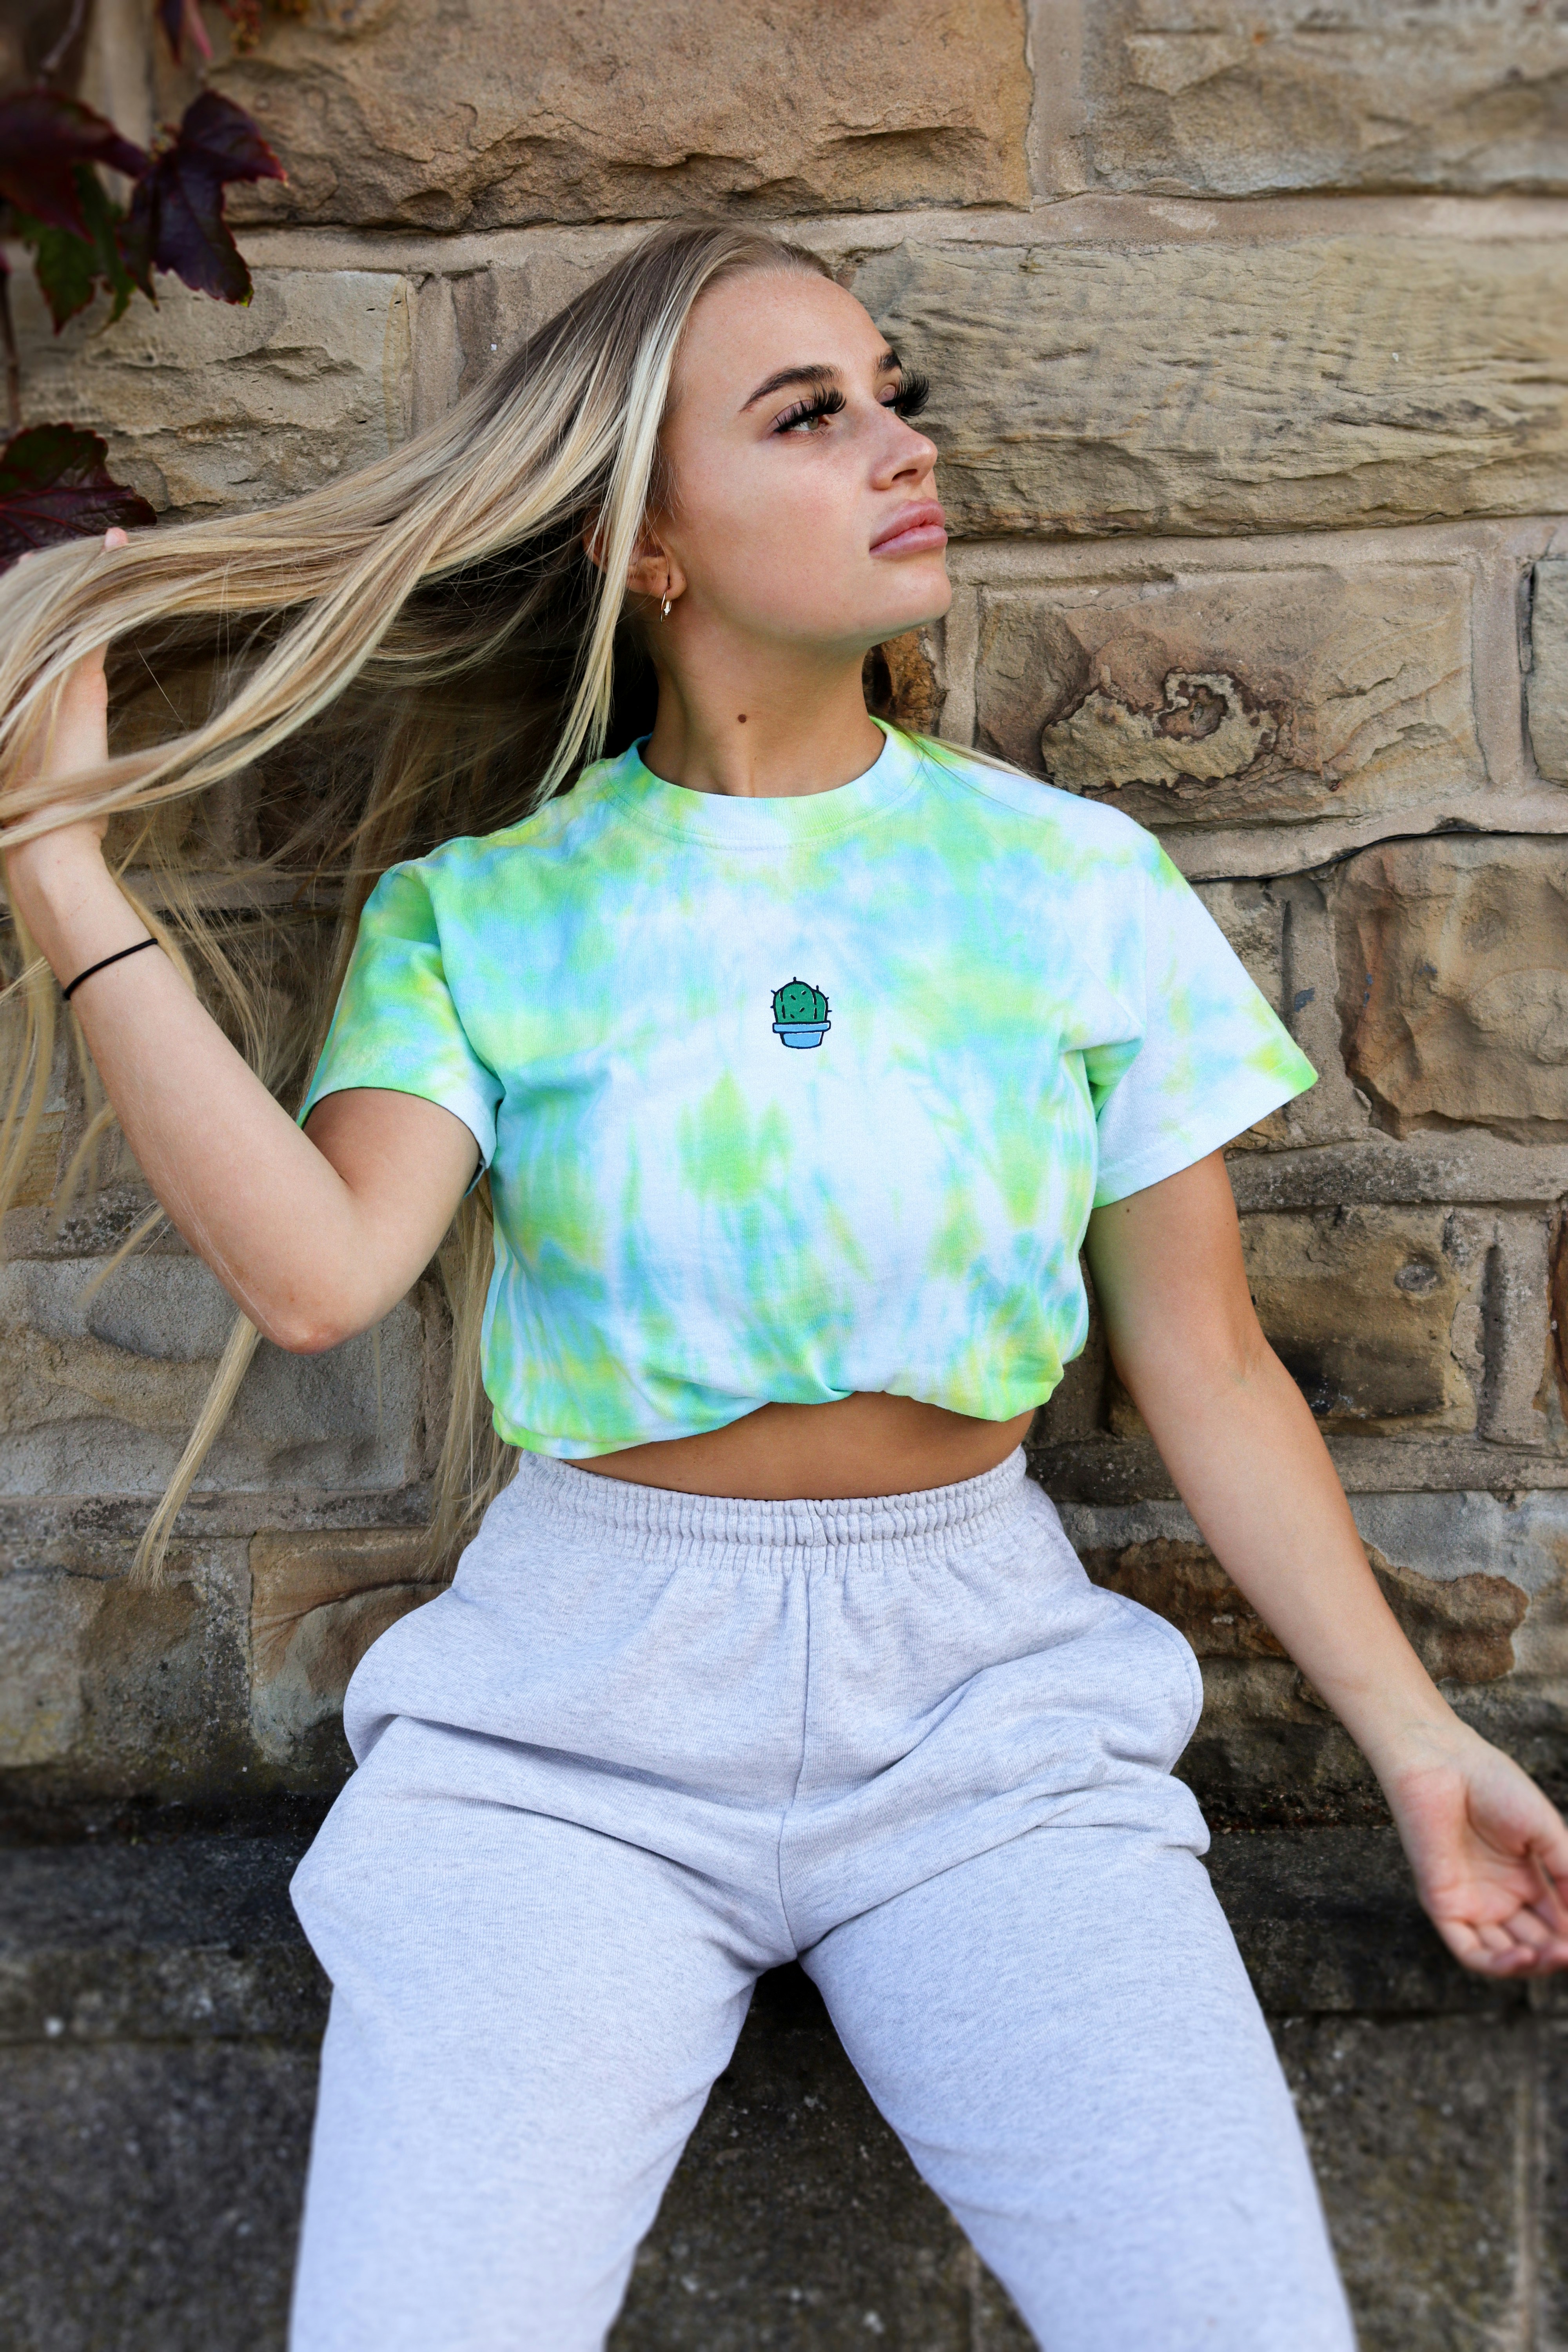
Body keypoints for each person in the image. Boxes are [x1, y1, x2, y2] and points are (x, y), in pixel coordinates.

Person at [2, 220, 1565, 2352]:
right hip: (573, 1719)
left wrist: (1414, 1742)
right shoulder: (488, 915)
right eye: (808, 416)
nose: (897, 446)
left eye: (893, 397)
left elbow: (1203, 1363)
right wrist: (54, 863)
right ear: (649, 540)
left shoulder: (1063, 880)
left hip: (990, 1706)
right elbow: (313, 1273)